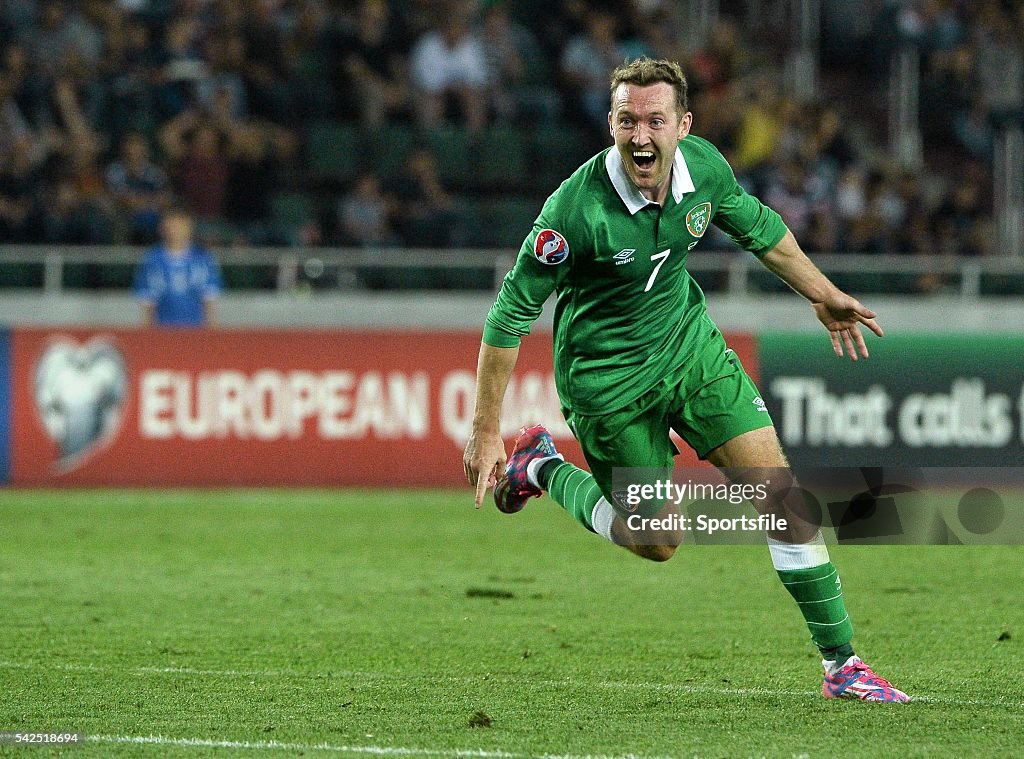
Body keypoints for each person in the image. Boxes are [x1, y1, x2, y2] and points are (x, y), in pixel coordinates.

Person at [463, 58, 909, 703]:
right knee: (658, 540)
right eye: (626, 120)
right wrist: (485, 431)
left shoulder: (705, 169)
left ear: (682, 124)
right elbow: (510, 316)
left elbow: (762, 231)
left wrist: (823, 293)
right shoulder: (573, 211)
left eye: (654, 121)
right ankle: (543, 467)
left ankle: (842, 664)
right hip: (608, 383)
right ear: (609, 123)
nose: (640, 136)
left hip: (688, 349)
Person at [134, 207, 223, 327]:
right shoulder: (152, 260)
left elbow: (209, 298)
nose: (176, 231)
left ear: (189, 228)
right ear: (162, 228)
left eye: (180, 225)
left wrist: (211, 329)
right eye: (172, 225)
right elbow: (147, 301)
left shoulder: (203, 258)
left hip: (196, 330)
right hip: (163, 330)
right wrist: (147, 331)